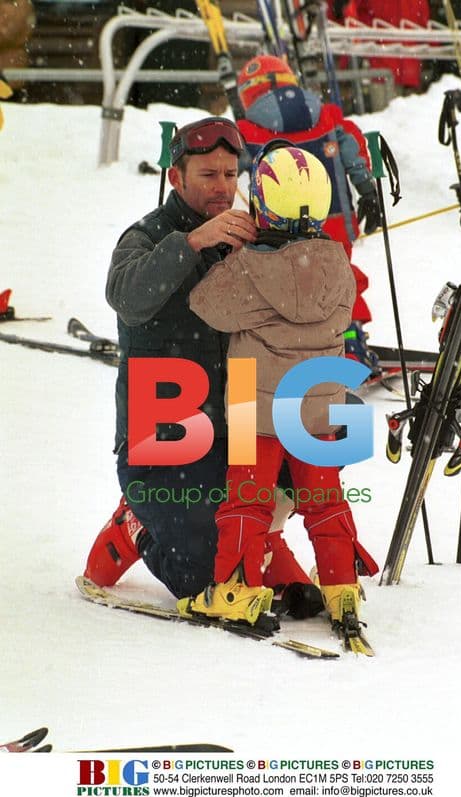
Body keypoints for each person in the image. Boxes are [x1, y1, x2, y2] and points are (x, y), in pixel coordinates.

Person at [84, 116, 321, 616]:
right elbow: (126, 296)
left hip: (240, 422)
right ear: (176, 178)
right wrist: (191, 242)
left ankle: (260, 540)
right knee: (202, 579)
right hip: (165, 436)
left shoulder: (250, 232)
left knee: (319, 451)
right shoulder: (146, 236)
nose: (222, 187)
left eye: (231, 175)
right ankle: (137, 524)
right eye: (208, 175)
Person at [177, 142, 378, 641]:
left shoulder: (249, 269)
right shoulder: (336, 262)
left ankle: (236, 591)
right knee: (324, 500)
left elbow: (206, 305)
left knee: (248, 500)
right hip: (319, 403)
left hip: (255, 404)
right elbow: (345, 307)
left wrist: (235, 254)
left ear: (262, 205)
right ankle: (341, 587)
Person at [235, 54, 382, 369]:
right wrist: (368, 191)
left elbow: (228, 165)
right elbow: (353, 148)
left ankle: (292, 344)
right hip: (333, 218)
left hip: (277, 224)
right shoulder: (327, 115)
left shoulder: (245, 130)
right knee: (339, 277)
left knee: (285, 283)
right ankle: (349, 340)